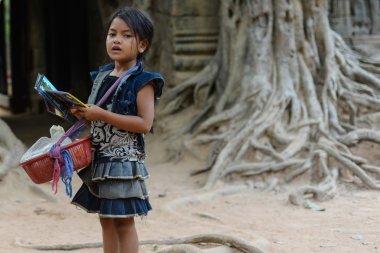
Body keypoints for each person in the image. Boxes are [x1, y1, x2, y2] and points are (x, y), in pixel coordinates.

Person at [70, 6, 164, 253]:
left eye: (126, 35)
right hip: (100, 160)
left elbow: (145, 124)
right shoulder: (101, 76)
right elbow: (96, 119)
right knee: (106, 219)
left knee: (123, 221)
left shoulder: (143, 82)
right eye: (112, 34)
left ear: (142, 45)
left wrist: (101, 114)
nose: (117, 40)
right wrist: (83, 114)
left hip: (123, 163)